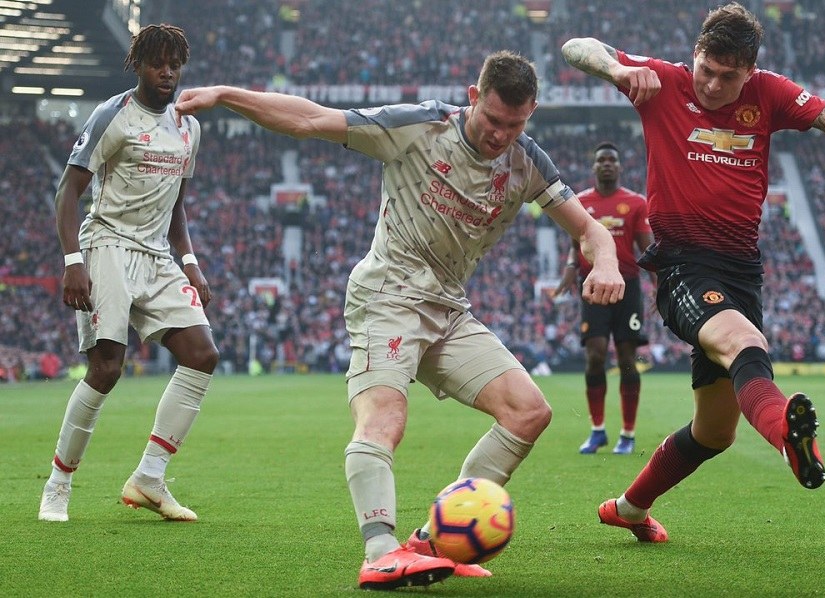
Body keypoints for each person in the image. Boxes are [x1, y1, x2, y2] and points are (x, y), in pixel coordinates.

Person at [175, 50, 625, 590]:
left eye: (515, 124)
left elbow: (591, 229)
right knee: (385, 419)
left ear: (530, 114)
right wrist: (226, 95)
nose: (500, 135)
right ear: (473, 97)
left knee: (528, 412)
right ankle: (380, 551)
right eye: (492, 119)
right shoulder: (419, 127)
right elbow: (310, 118)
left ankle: (437, 542)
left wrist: (606, 261)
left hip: (448, 309)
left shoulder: (527, 162)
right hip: (387, 296)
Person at [561, 1, 825, 543]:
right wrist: (617, 69)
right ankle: (789, 436)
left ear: (750, 71)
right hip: (683, 264)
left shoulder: (770, 93)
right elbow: (576, 47)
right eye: (706, 69)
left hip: (742, 272)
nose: (713, 85)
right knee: (745, 343)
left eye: (728, 76)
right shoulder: (665, 82)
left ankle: (630, 507)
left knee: (714, 432)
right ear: (695, 54)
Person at [38, 24, 219, 524]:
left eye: (175, 64)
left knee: (202, 354)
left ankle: (149, 477)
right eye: (158, 63)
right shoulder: (112, 114)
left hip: (157, 254)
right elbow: (68, 192)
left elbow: (176, 206)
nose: (168, 72)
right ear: (138, 65)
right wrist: (73, 261)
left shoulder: (188, 127)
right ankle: (58, 485)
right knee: (107, 368)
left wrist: (190, 262)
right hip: (108, 244)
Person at [553, 142, 653, 455]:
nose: (607, 164)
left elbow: (647, 249)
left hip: (627, 287)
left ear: (619, 167)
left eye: (612, 159)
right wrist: (570, 268)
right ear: (594, 166)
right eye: (602, 160)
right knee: (595, 356)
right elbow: (577, 245)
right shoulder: (580, 203)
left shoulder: (635, 203)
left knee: (626, 359)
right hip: (593, 286)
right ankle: (597, 431)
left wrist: (660, 285)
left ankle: (628, 434)